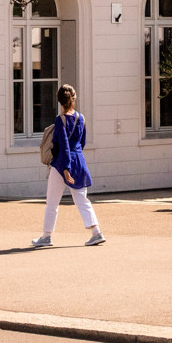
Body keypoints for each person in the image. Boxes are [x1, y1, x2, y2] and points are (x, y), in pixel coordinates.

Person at [32, 84, 105, 248]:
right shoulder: (81, 118)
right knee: (82, 199)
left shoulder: (60, 120)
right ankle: (96, 232)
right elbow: (82, 142)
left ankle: (46, 236)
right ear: (74, 99)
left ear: (59, 101)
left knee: (52, 201)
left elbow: (63, 145)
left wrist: (65, 169)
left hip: (60, 164)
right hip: (79, 161)